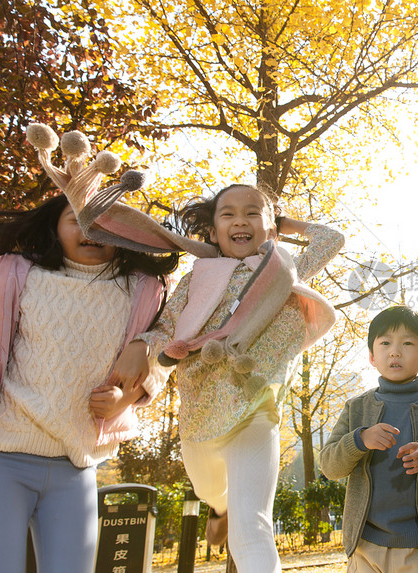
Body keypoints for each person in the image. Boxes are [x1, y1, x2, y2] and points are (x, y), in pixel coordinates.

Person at [134, 183, 343, 572]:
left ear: (270, 229)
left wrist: (284, 223)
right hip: (199, 412)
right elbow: (163, 326)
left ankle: (235, 516)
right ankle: (220, 506)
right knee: (207, 488)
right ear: (212, 233)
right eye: (227, 214)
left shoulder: (281, 269)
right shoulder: (198, 276)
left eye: (252, 213)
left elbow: (331, 238)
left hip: (254, 407)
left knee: (252, 528)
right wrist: (155, 350)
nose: (240, 220)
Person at [0, 194, 178, 573]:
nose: (91, 231)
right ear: (54, 228)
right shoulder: (16, 272)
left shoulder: (143, 290)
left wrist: (127, 395)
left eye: (106, 223)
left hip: (75, 466)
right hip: (4, 458)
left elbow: (175, 339)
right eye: (76, 220)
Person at [320, 305, 418, 572]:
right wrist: (359, 440)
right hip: (365, 547)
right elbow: (329, 466)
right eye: (385, 342)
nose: (395, 351)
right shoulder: (356, 408)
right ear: (371, 355)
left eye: (408, 343)